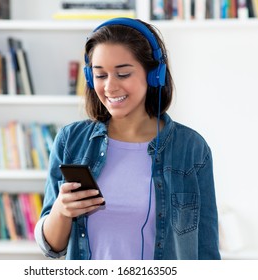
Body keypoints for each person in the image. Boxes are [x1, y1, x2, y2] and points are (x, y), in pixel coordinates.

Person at [34, 17, 220, 260]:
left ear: (154, 75)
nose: (110, 87)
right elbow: (52, 247)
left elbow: (206, 251)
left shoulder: (191, 149)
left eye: (122, 74)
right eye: (100, 76)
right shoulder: (71, 141)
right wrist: (61, 210)